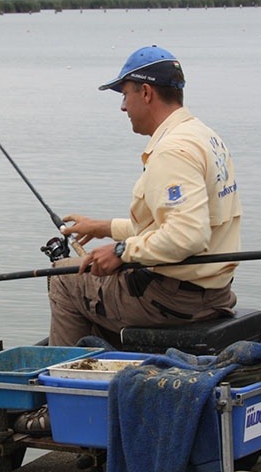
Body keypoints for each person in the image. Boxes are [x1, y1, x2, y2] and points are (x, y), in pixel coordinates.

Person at [48, 45, 243, 348]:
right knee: (94, 280)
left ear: (147, 93)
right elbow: (176, 225)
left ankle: (67, 381)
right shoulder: (205, 136)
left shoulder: (172, 151)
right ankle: (110, 362)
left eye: (125, 94)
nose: (123, 107)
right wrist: (102, 228)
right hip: (214, 293)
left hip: (172, 302)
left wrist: (120, 251)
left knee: (64, 277)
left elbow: (187, 235)